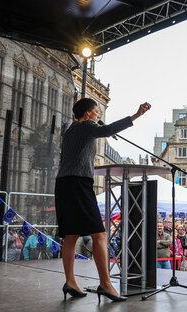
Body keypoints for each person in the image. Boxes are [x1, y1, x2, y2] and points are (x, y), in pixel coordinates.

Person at [55, 98, 150, 302]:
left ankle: (70, 281)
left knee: (71, 235)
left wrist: (104, 131)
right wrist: (136, 115)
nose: (98, 115)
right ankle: (106, 284)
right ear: (88, 114)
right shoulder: (86, 125)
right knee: (99, 234)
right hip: (78, 183)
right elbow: (105, 129)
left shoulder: (71, 130)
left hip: (64, 183)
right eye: (97, 112)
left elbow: (101, 132)